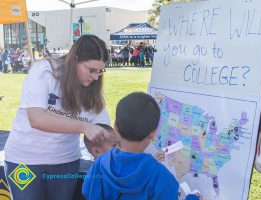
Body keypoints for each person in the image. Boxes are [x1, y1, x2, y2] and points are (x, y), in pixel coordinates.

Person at [4, 35, 112, 200]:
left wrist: (103, 146)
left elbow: (103, 128)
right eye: (92, 70)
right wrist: (85, 127)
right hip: (23, 160)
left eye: (100, 71)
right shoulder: (45, 71)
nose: (96, 77)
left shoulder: (93, 90)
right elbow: (37, 119)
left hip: (65, 162)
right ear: (75, 59)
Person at [82, 92, 201, 200]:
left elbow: (87, 191)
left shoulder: (100, 163)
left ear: (116, 127)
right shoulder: (160, 176)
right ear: (153, 134)